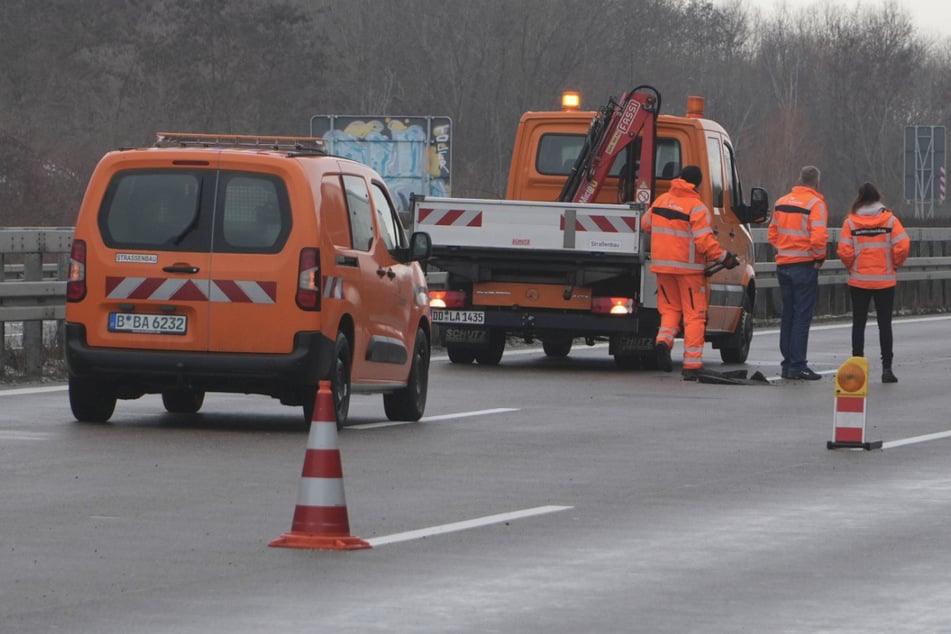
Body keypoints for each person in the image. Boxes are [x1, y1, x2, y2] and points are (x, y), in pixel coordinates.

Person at [641, 165, 739, 380]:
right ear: (697, 184)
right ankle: (692, 364)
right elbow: (704, 242)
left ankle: (663, 342)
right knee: (695, 315)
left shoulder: (660, 201)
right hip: (688, 270)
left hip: (662, 268)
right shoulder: (697, 208)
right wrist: (725, 258)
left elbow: (646, 224)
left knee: (670, 310)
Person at [836, 182, 910, 383]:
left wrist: (853, 266)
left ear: (859, 198)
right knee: (884, 325)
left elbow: (843, 250)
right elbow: (903, 245)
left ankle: (857, 368)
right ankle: (887, 369)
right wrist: (894, 264)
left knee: (858, 324)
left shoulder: (850, 222)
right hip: (885, 281)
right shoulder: (890, 221)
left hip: (859, 281)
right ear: (878, 197)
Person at [768, 165, 828, 380]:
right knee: (802, 316)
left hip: (783, 264)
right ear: (816, 183)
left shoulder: (781, 202)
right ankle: (798, 364)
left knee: (788, 315)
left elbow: (772, 233)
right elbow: (819, 237)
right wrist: (819, 257)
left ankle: (787, 364)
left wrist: (784, 248)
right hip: (804, 265)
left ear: (800, 179)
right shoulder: (815, 204)